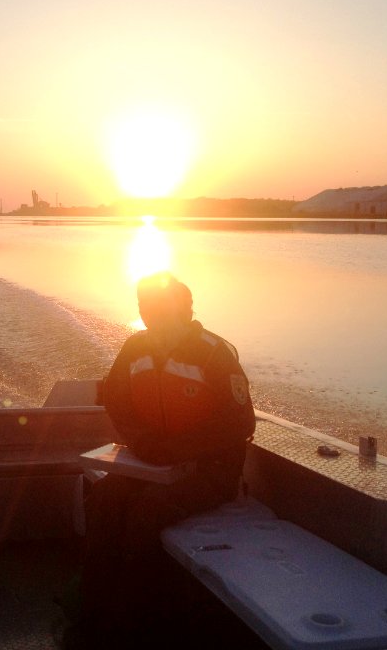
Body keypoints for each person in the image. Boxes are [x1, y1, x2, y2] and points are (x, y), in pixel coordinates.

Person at [73, 271, 255, 645]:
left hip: (210, 470)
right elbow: (116, 397)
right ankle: (93, 610)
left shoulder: (215, 354)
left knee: (148, 510)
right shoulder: (135, 348)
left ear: (187, 311)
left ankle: (135, 621)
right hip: (149, 461)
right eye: (147, 308)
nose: (153, 315)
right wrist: (141, 441)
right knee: (105, 498)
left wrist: (181, 448)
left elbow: (240, 422)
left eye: (163, 308)